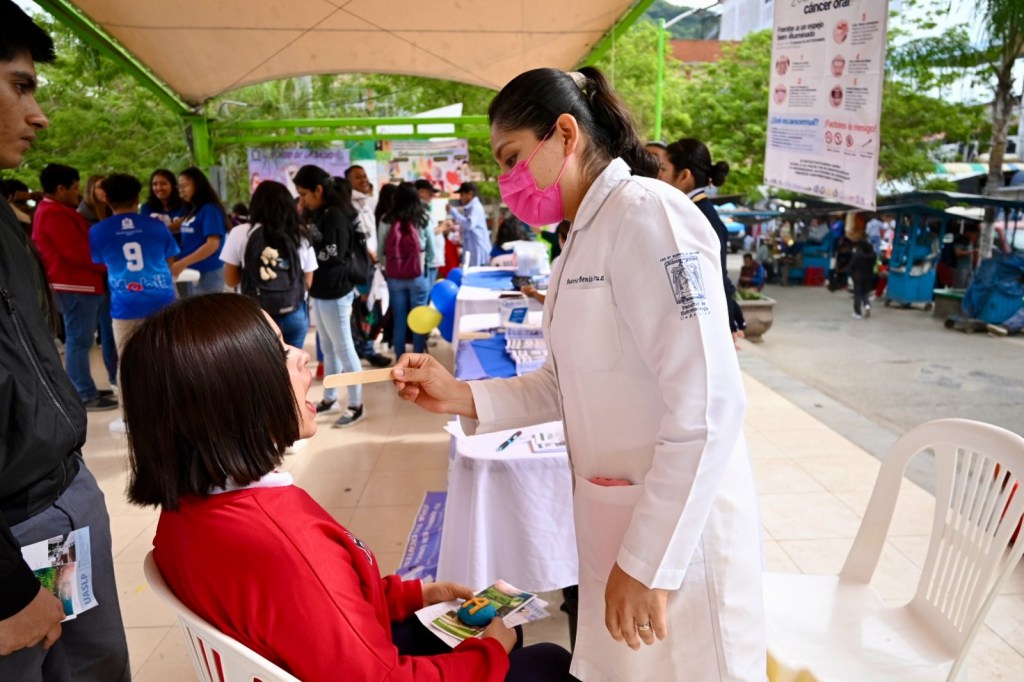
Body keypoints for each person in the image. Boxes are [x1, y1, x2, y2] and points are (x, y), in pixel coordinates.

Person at [393, 67, 765, 681]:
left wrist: (647, 563)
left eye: (513, 157)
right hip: (616, 518)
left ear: (566, 134)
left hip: (677, 534)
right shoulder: (578, 244)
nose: (509, 181)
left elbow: (710, 405)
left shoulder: (651, 218)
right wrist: (457, 393)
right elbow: (564, 384)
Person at [122, 293, 573, 682]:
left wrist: (410, 596)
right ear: (232, 399)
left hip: (312, 658)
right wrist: (490, 653)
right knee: (548, 660)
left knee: (488, 628)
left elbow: (305, 610)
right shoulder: (283, 543)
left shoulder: (188, 510)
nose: (302, 355)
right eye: (279, 352)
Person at [0, 4, 130, 678]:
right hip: (12, 536)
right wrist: (9, 590)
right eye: (21, 85)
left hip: (59, 496)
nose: (39, 114)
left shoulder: (7, 219)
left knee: (91, 663)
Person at [88, 172, 179, 432]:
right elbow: (169, 261)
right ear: (138, 196)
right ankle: (173, 408)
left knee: (127, 361)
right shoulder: (156, 226)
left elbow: (102, 263)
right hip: (162, 300)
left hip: (125, 304)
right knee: (167, 356)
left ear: (106, 198)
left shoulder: (97, 231)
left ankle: (129, 417)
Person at [32, 162, 119, 411]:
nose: (77, 192)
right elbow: (78, 253)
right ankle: (83, 394)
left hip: (80, 285)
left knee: (80, 340)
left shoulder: (57, 209)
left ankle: (85, 387)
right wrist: (112, 264)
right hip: (75, 286)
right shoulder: (54, 213)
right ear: (60, 188)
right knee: (79, 342)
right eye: (74, 187)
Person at [293, 165, 366, 427]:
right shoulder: (321, 212)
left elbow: (332, 253)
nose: (302, 199)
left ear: (319, 190)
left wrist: (309, 250)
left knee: (345, 348)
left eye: (304, 194)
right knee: (328, 348)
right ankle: (330, 397)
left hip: (336, 290)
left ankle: (356, 404)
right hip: (322, 290)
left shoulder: (335, 214)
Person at [660, 138, 747, 344]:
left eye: (663, 169)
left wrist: (728, 323)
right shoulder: (688, 211)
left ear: (684, 176)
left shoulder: (701, 217)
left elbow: (717, 276)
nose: (658, 176)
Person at [221, 180, 316, 349]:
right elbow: (308, 282)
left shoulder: (240, 233)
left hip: (257, 317)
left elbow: (231, 280)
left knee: (263, 372)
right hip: (294, 312)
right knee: (292, 369)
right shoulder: (300, 233)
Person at [78, 174, 118, 399]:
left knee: (111, 329)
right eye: (100, 187)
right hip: (99, 280)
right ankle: (111, 377)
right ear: (91, 189)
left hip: (115, 278)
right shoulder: (84, 215)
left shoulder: (112, 212)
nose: (103, 191)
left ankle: (116, 375)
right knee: (105, 331)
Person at [174, 166, 227, 295]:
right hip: (189, 272)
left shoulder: (210, 209)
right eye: (179, 187)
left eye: (185, 186)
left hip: (208, 272)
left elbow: (212, 244)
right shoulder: (192, 210)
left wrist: (183, 262)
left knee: (207, 313)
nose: (181, 191)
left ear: (197, 185)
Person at [449, 181, 492, 266]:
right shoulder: (469, 208)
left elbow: (469, 225)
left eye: (462, 195)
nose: (460, 198)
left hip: (479, 251)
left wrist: (453, 212)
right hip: (472, 251)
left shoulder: (476, 207)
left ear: (470, 194)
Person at [139, 168, 185, 241]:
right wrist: (174, 227)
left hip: (183, 249)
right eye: (155, 184)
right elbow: (147, 231)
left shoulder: (184, 204)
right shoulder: (146, 207)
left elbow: (184, 224)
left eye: (163, 184)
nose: (158, 188)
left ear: (173, 185)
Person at [845, 237, 876, 319]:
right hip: (868, 276)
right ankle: (867, 305)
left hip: (858, 276)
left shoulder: (858, 254)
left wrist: (849, 273)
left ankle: (857, 313)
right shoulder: (873, 254)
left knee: (857, 294)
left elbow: (851, 265)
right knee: (865, 293)